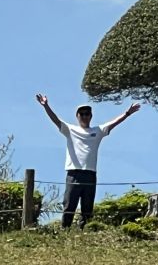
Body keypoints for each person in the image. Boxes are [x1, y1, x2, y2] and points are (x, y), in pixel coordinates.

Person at [36, 93, 140, 229]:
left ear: (91, 116)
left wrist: (127, 113)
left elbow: (113, 123)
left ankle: (85, 230)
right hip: (74, 173)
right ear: (77, 116)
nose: (84, 116)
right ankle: (65, 229)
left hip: (90, 173)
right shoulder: (70, 129)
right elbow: (56, 120)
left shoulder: (98, 131)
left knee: (87, 206)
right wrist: (46, 106)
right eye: (82, 114)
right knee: (69, 204)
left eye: (87, 114)